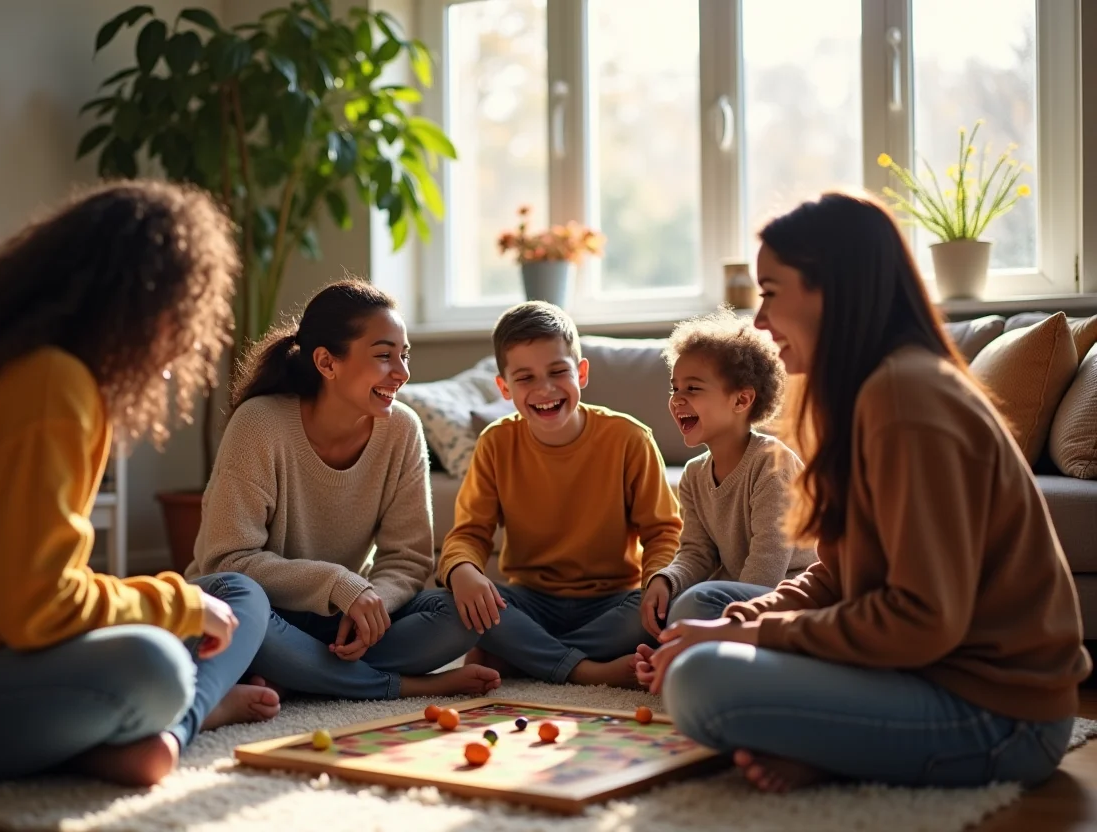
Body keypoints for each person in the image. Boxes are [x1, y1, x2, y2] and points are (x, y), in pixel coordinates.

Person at [638, 190, 1091, 791]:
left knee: (701, 681)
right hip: (921, 670)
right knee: (701, 617)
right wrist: (739, 620)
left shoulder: (907, 397)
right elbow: (836, 575)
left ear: (831, 290)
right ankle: (833, 741)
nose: (762, 321)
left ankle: (833, 745)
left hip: (1000, 713)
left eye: (770, 292)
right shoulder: (867, 394)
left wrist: (747, 635)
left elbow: (923, 620)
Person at [0, 180, 279, 788]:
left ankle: (151, 732)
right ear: (147, 305)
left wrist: (183, 605)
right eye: (184, 313)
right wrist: (178, 606)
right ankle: (183, 719)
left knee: (236, 592)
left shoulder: (31, 369)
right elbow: (38, 608)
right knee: (158, 666)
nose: (186, 340)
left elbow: (32, 600)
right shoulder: (50, 384)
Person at [191, 279, 500, 700]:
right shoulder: (259, 424)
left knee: (462, 615)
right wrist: (338, 584)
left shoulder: (403, 429)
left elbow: (408, 558)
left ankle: (297, 673)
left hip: (339, 619)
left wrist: (372, 603)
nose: (402, 373)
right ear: (326, 362)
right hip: (259, 610)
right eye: (384, 356)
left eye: (405, 355)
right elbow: (227, 559)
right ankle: (398, 685)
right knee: (243, 606)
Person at [439, 301, 682, 688]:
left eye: (557, 372)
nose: (545, 389)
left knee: (663, 608)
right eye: (525, 378)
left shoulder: (630, 438)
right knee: (455, 604)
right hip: (529, 600)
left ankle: (525, 656)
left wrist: (657, 581)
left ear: (581, 372)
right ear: (504, 388)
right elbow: (469, 533)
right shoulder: (495, 443)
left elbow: (663, 532)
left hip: (612, 601)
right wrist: (463, 571)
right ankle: (586, 669)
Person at [638, 310, 816, 643]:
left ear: (742, 400)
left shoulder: (771, 463)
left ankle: (684, 649)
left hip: (785, 598)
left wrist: (725, 621)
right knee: (659, 605)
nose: (678, 399)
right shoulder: (694, 474)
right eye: (675, 388)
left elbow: (767, 566)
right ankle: (677, 651)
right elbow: (696, 552)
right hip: (734, 595)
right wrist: (666, 579)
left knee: (694, 603)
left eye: (693, 388)